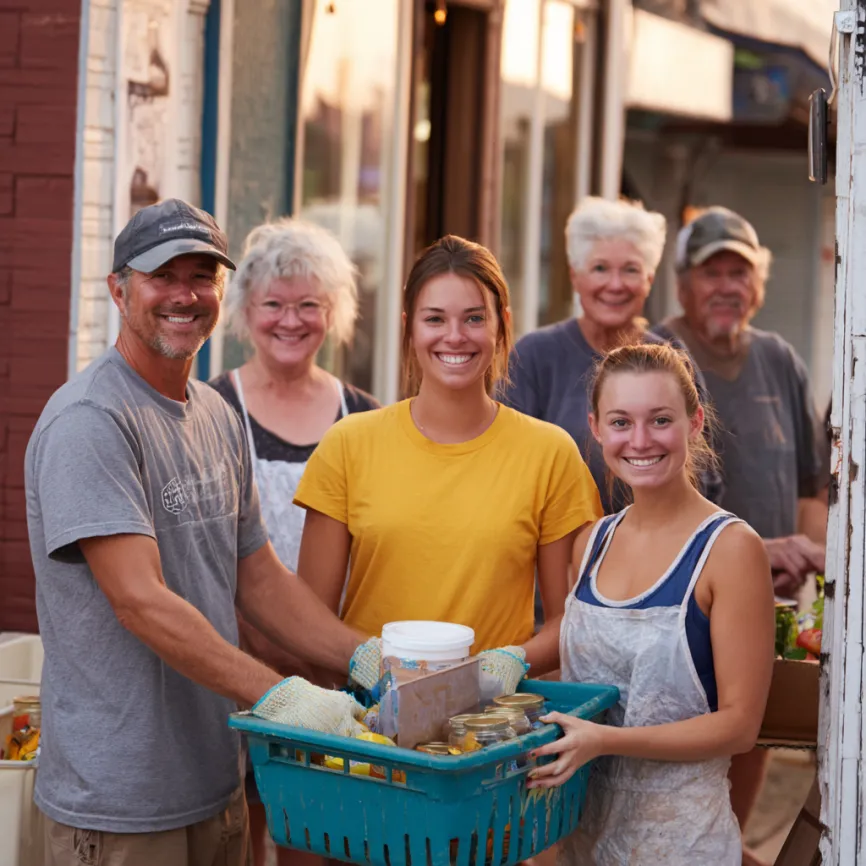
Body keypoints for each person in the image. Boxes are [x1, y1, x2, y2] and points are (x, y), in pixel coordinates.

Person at [24, 199, 384, 866]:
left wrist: (365, 658)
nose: (185, 296)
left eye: (202, 276)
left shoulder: (214, 414)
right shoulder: (90, 421)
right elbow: (140, 601)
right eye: (163, 276)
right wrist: (279, 695)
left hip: (214, 782)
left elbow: (260, 576)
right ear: (118, 288)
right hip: (122, 804)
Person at [294, 235, 603, 675]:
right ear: (409, 327)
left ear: (502, 325)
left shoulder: (549, 454)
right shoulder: (348, 445)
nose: (455, 336)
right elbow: (310, 622)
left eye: (474, 318)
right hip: (368, 728)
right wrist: (375, 666)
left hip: (493, 730)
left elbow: (567, 622)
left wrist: (503, 666)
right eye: (434, 319)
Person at [528, 343, 774, 866]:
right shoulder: (591, 542)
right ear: (595, 428)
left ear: (695, 422)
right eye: (621, 422)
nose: (640, 441)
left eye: (660, 420)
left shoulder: (730, 549)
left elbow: (739, 725)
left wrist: (606, 740)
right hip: (580, 838)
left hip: (680, 842)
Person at [209, 218, 378, 866]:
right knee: (239, 839)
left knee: (316, 837)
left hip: (333, 672)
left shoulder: (361, 417)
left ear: (333, 313)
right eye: (274, 304)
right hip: (233, 666)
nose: (290, 320)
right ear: (246, 309)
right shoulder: (211, 407)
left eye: (309, 304)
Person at [503, 196, 720, 514]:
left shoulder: (671, 359)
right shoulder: (533, 357)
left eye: (630, 270)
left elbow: (703, 476)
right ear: (575, 276)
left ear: (649, 279)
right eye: (600, 268)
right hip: (558, 555)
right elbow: (508, 472)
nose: (615, 285)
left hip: (660, 553)